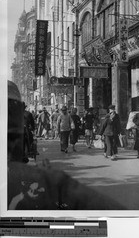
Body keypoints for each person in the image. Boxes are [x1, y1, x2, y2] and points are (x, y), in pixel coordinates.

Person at [7, 81, 125, 210]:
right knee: (64, 140)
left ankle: (68, 147)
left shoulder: (49, 183)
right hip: (66, 130)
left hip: (68, 129)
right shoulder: (47, 182)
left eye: (11, 111)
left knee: (64, 140)